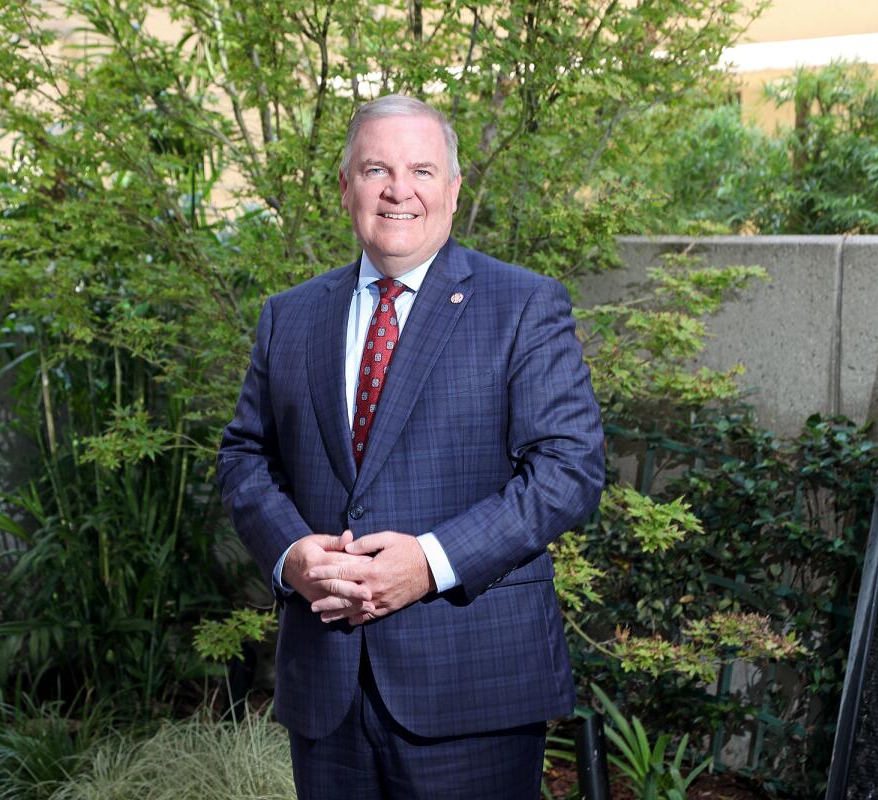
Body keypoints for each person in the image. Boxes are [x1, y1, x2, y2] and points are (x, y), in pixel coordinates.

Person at [216, 93, 604, 800]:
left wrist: (430, 563)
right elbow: (244, 456)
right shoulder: (290, 316)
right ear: (345, 188)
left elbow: (568, 469)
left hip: (469, 684)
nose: (400, 189)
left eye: (422, 170)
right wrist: (290, 555)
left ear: (453, 191)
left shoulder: (523, 305)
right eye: (376, 170)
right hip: (327, 684)